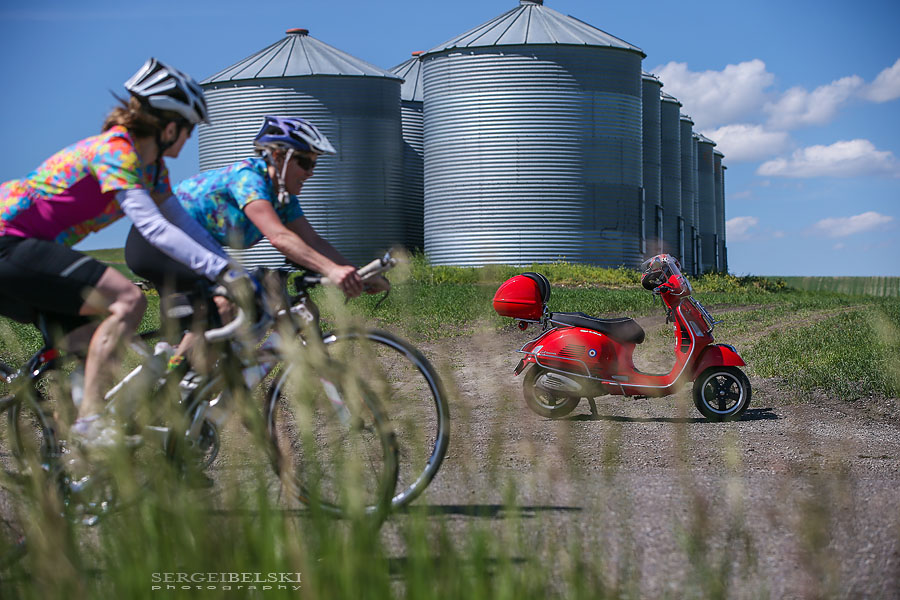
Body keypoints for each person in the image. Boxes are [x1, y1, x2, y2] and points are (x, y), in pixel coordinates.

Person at [0, 58, 250, 448]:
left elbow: (184, 225)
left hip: (26, 250)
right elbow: (152, 228)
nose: (187, 141)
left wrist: (231, 268)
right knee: (127, 298)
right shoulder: (117, 151)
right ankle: (90, 422)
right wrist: (223, 272)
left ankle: (73, 455)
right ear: (170, 126)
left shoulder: (153, 170)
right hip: (7, 239)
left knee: (89, 335)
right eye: (188, 130)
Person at [124, 115, 388, 332]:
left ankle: (204, 384)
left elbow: (314, 241)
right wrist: (332, 271)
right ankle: (183, 390)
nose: (311, 172)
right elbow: (279, 237)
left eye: (314, 165)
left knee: (258, 311)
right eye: (305, 162)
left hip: (190, 251)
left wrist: (356, 273)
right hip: (157, 245)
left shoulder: (282, 198)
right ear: (278, 157)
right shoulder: (248, 178)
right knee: (226, 306)